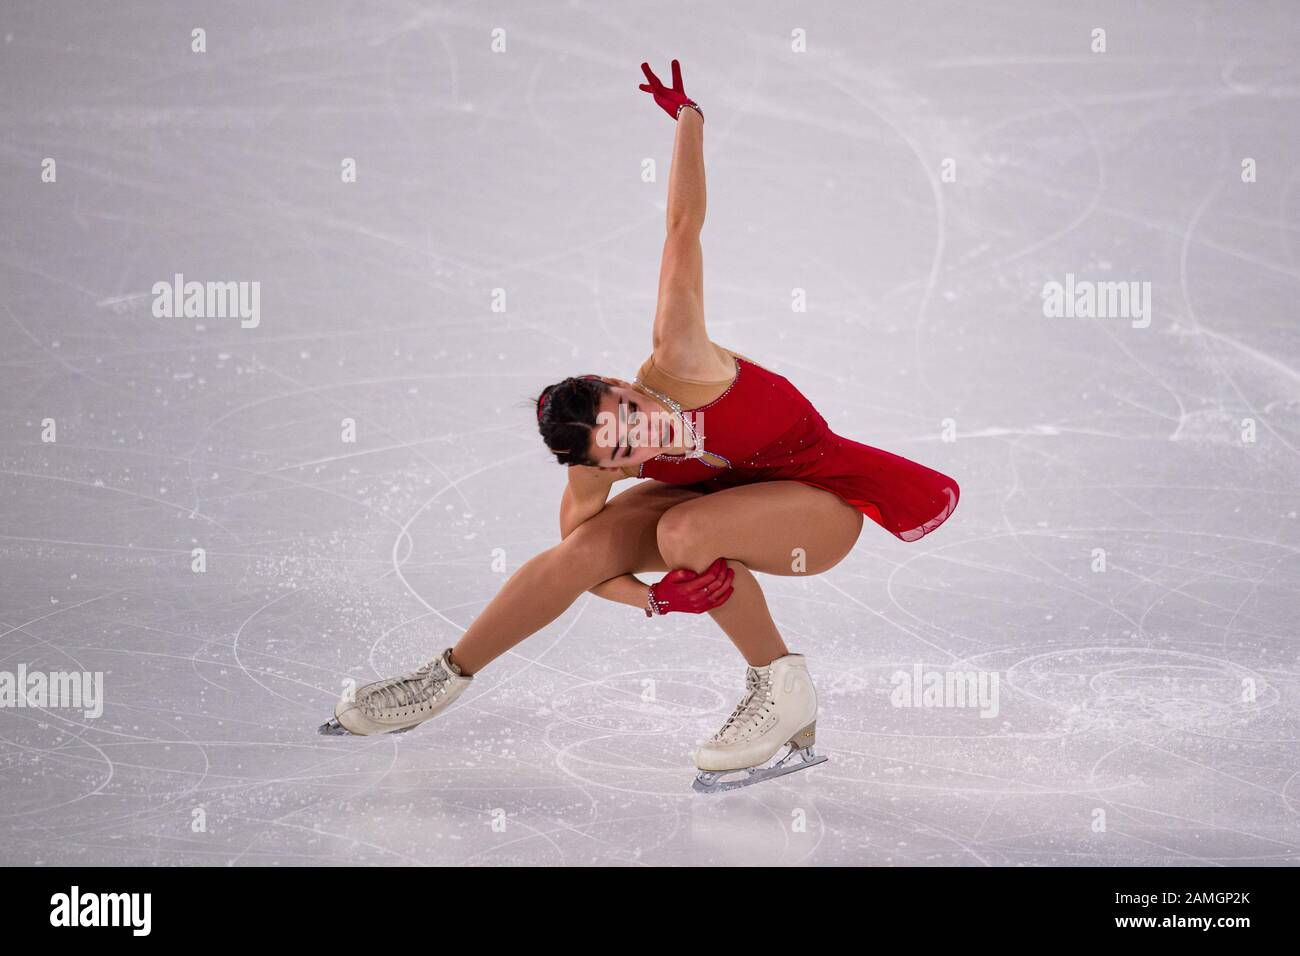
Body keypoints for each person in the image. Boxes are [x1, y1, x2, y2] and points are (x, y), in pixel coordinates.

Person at [322, 60, 960, 793]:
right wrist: (650, 599)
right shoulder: (594, 465)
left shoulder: (680, 356)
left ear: (626, 385)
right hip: (723, 504)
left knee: (684, 535)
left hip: (819, 508)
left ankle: (782, 690)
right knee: (588, 544)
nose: (644, 437)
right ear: (609, 464)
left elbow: (683, 226)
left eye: (634, 413)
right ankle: (442, 678)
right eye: (626, 450)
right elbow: (580, 567)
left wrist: (689, 118)